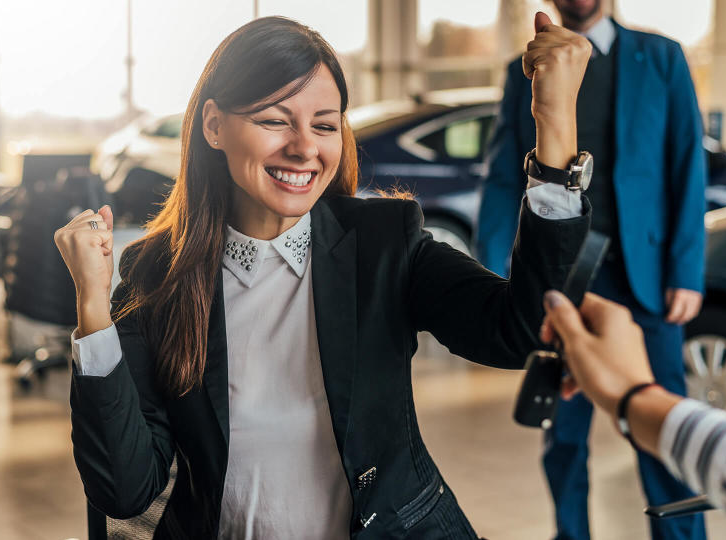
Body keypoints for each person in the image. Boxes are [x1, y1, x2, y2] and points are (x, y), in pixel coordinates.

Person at [55, 14, 591, 539]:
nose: (305, 147)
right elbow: (125, 491)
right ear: (214, 125)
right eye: (274, 120)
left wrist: (555, 120)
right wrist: (94, 311)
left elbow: (522, 331)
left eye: (325, 125)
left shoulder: (383, 243)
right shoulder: (158, 274)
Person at [475, 1, 708, 538]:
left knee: (667, 427)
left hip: (647, 280)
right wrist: (495, 277)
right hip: (565, 280)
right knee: (563, 437)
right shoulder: (523, 71)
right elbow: (505, 174)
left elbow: (686, 166)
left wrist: (686, 270)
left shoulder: (662, 58)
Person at [540, 290, 726, 530]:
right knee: (564, 438)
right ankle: (570, 533)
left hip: (654, 294)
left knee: (667, 463)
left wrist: (632, 398)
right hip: (571, 293)